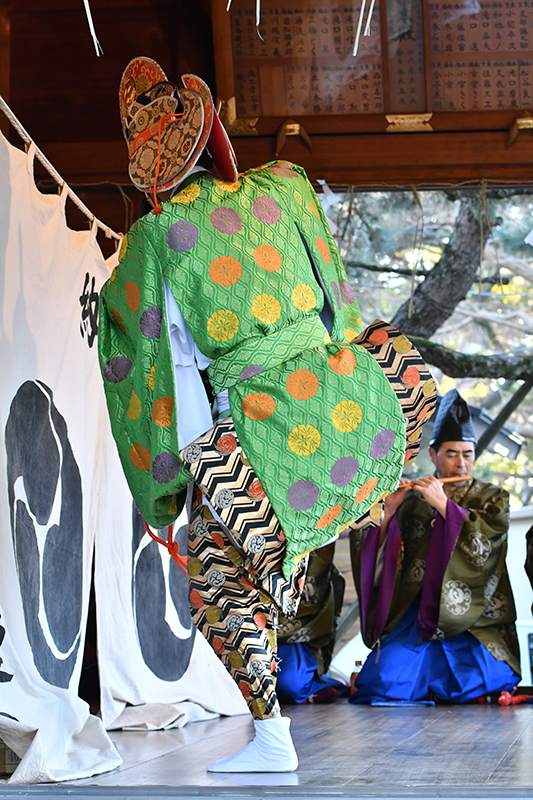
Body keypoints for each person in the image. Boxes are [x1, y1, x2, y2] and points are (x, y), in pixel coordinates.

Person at [98, 57, 436, 771]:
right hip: (353, 397)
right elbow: (335, 293)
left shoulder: (154, 243)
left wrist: (169, 486)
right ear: (208, 137)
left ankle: (272, 738)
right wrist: (346, 368)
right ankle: (272, 731)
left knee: (216, 575)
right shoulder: (282, 185)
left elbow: (142, 372)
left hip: (265, 434)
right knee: (269, 555)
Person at [349, 389, 521, 705]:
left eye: (467, 454)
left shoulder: (492, 497)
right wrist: (388, 511)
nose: (461, 463)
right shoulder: (413, 501)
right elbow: (379, 552)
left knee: (487, 676)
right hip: (418, 616)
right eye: (451, 454)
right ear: (433, 455)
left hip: (476, 619)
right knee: (385, 681)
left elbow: (488, 543)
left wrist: (444, 506)